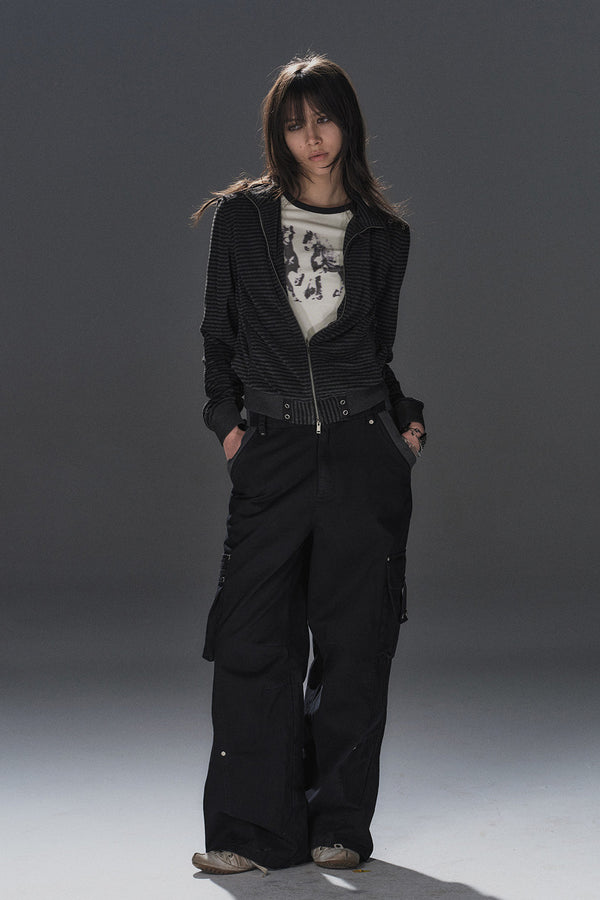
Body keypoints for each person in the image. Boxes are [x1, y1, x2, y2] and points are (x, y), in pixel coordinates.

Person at [191, 53, 426, 877]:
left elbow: (374, 350)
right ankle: (250, 832)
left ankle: (340, 827)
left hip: (363, 452)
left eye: (323, 119)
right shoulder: (242, 218)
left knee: (356, 645)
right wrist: (229, 428)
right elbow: (218, 336)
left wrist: (401, 427)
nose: (312, 137)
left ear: (346, 123)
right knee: (253, 639)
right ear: (278, 135)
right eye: (294, 124)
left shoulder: (384, 235)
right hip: (274, 449)